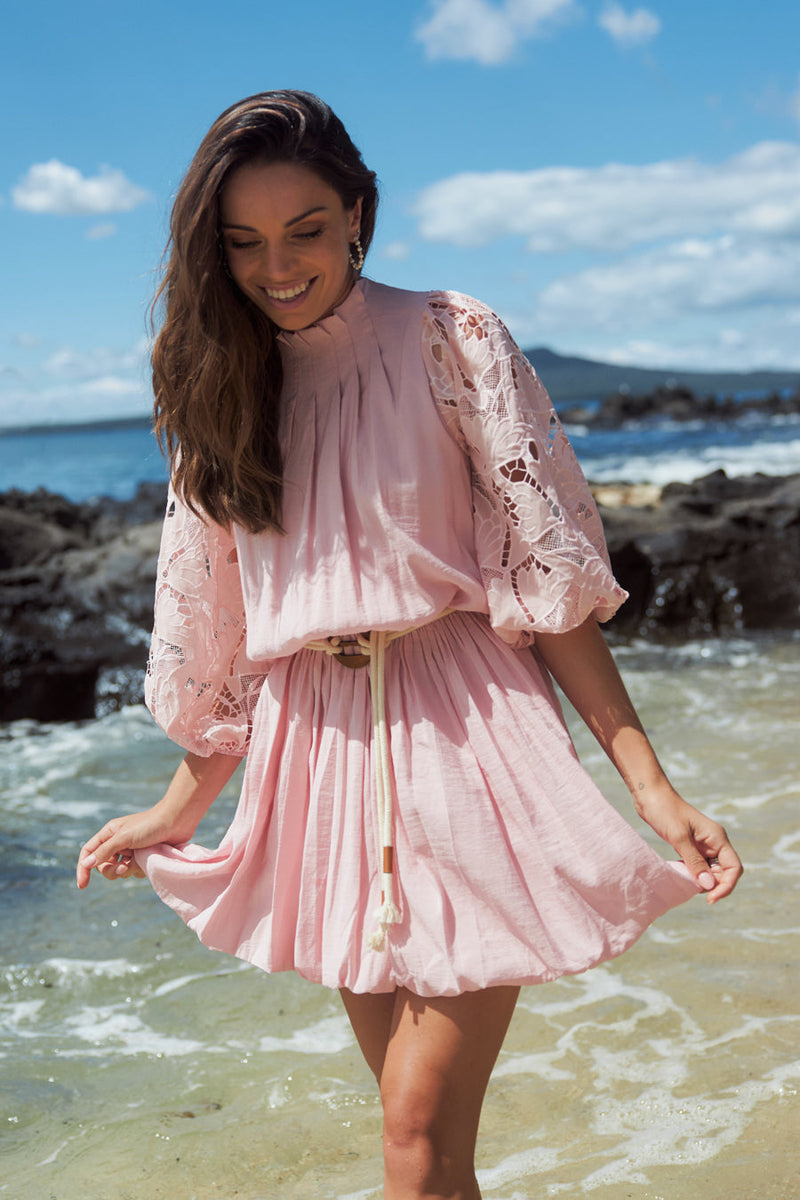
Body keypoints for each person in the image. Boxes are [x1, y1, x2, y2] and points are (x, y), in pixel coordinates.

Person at [76, 90, 742, 1200]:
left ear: (357, 215)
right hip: (318, 761)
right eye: (241, 243)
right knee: (423, 1149)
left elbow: (551, 586)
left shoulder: (450, 335)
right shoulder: (217, 385)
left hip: (461, 734)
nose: (276, 267)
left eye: (305, 232)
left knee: (414, 1132)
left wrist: (652, 788)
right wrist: (178, 811)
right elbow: (222, 635)